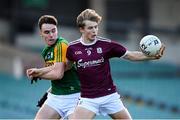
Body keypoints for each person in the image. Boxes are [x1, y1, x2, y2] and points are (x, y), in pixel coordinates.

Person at [66, 9, 165, 119]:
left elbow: (130, 55)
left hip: (109, 96)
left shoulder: (107, 45)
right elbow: (67, 66)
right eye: (90, 28)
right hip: (88, 99)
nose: (94, 30)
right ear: (81, 29)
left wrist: (151, 56)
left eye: (96, 27)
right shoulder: (72, 48)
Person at [26, 15, 80, 119]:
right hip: (55, 97)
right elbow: (58, 70)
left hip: (74, 97)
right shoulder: (46, 51)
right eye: (47, 32)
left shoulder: (61, 44)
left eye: (53, 30)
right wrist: (47, 91)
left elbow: (58, 74)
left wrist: (38, 73)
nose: (51, 35)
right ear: (41, 34)